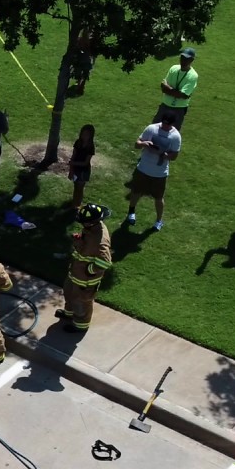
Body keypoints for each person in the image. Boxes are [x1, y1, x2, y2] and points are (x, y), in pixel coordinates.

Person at [56, 203, 113, 333]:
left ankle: (80, 325)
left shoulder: (100, 240)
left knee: (81, 302)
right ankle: (69, 314)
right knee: (69, 293)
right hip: (75, 273)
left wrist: (89, 270)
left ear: (90, 223)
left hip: (85, 281)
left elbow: (105, 262)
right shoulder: (92, 228)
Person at [125, 113, 181, 231]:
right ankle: (131, 212)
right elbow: (137, 144)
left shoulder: (176, 136)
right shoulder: (152, 128)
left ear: (172, 124)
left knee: (159, 198)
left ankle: (159, 220)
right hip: (143, 169)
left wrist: (164, 155)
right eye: (163, 123)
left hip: (160, 173)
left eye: (167, 124)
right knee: (136, 192)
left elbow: (174, 156)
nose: (164, 126)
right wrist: (144, 144)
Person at [155, 47, 198, 130]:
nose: (183, 60)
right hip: (165, 105)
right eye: (182, 58)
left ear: (191, 60)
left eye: (186, 59)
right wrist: (176, 93)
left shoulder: (193, 76)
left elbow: (182, 95)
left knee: (171, 133)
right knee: (155, 129)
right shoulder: (173, 68)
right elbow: (163, 88)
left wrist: (169, 89)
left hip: (178, 109)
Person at [68, 124, 96, 208]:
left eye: (87, 135)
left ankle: (78, 204)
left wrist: (72, 163)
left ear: (91, 136)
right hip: (76, 169)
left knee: (80, 188)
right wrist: (71, 170)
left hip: (84, 171)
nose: (84, 136)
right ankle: (74, 203)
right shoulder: (78, 142)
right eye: (83, 134)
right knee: (76, 186)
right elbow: (73, 155)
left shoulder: (91, 147)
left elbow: (85, 163)